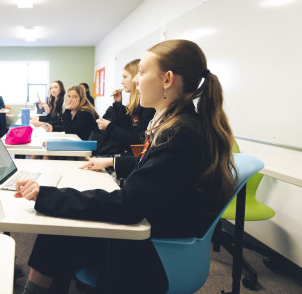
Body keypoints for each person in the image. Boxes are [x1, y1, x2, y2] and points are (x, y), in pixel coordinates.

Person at [15, 39, 236, 294]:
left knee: (58, 230)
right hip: (158, 231)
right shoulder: (180, 123)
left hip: (153, 252)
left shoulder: (178, 133)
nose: (136, 81)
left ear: (167, 80)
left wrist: (48, 195)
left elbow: (127, 207)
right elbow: (151, 174)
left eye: (142, 72)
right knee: (62, 227)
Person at [91, 59, 155, 156]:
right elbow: (124, 129)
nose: (122, 82)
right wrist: (118, 104)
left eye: (125, 77)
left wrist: (109, 127)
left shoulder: (148, 107)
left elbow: (137, 139)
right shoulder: (133, 107)